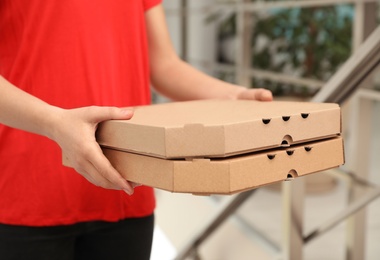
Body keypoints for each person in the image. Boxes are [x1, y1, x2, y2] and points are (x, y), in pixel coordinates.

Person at [0, 1, 273, 259]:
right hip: (27, 194)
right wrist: (54, 123)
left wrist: (234, 97)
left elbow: (163, 65)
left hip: (126, 188)